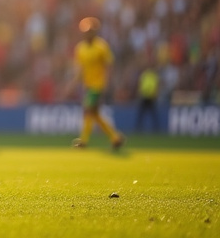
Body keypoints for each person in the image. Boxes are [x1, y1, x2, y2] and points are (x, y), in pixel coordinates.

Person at [67, 17, 125, 150]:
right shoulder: (80, 48)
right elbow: (79, 70)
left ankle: (83, 141)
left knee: (87, 109)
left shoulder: (101, 47)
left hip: (98, 85)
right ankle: (115, 137)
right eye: (86, 31)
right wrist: (72, 85)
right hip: (88, 85)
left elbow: (109, 65)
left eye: (90, 31)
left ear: (95, 32)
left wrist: (108, 83)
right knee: (94, 113)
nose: (88, 34)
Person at [135, 63, 160, 133]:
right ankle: (138, 128)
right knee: (142, 114)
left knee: (152, 114)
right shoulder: (145, 75)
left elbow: (156, 85)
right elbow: (140, 84)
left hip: (150, 97)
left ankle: (156, 129)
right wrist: (140, 92)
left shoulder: (152, 75)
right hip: (144, 96)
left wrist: (155, 93)